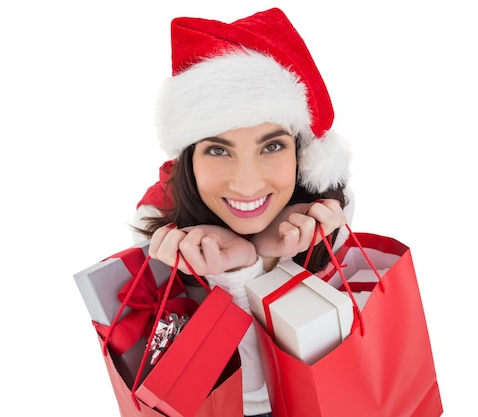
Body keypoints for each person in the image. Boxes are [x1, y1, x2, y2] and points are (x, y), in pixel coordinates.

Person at [131, 8, 354, 417]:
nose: (247, 184)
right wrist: (236, 275)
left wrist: (277, 261)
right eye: (218, 150)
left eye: (271, 146)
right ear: (189, 159)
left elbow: (325, 364)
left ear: (301, 153)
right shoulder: (162, 234)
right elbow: (244, 395)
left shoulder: (324, 214)